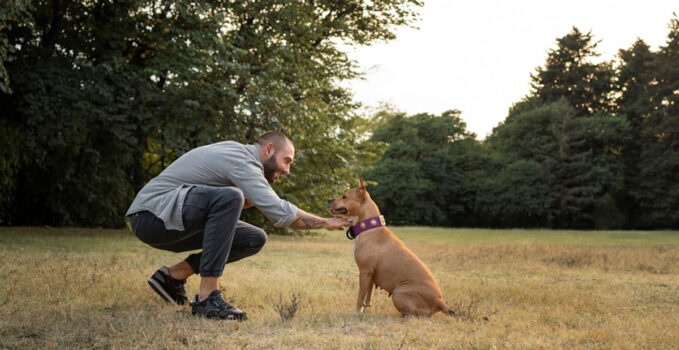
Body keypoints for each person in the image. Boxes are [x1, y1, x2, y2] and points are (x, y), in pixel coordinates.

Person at [126, 131, 350, 321]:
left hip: (172, 222)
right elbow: (279, 211)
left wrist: (236, 201)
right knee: (231, 196)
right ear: (269, 149)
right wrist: (326, 222)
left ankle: (172, 277)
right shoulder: (242, 159)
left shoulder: (240, 159)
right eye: (287, 161)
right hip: (150, 217)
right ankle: (207, 298)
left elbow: (214, 202)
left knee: (253, 238)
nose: (287, 170)